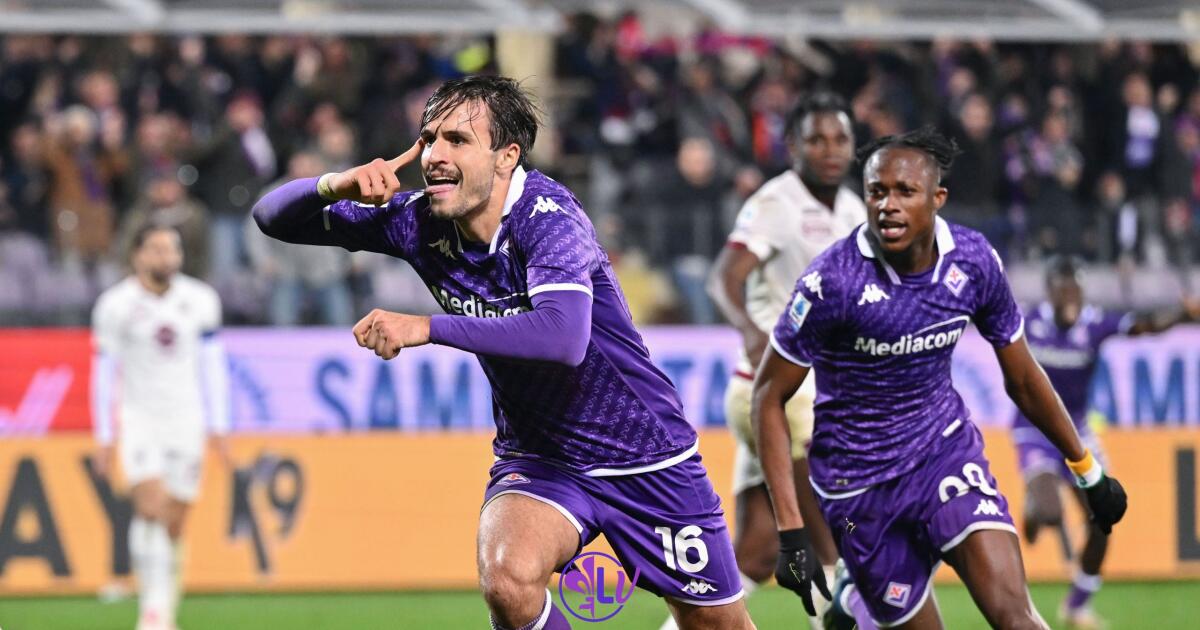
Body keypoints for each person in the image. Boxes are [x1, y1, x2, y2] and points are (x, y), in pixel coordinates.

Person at [252, 75, 754, 630]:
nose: (435, 156)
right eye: (428, 139)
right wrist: (334, 185)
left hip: (644, 454)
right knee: (508, 579)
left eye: (457, 140)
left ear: (506, 157)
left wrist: (428, 328)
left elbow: (562, 338)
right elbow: (271, 217)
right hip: (540, 458)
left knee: (717, 625)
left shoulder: (548, 219)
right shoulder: (417, 221)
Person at [751, 127, 1127, 629]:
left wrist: (1086, 468)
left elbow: (1022, 377)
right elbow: (767, 396)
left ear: (937, 198)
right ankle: (855, 594)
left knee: (1017, 618)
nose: (888, 205)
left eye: (905, 191)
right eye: (876, 192)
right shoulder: (832, 281)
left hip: (944, 456)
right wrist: (791, 532)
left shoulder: (973, 261)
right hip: (857, 488)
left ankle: (857, 598)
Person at [696, 91, 864, 630]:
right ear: (792, 145)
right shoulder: (776, 203)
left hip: (814, 388)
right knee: (829, 531)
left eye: (839, 139)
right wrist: (751, 332)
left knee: (756, 552)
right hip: (779, 390)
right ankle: (835, 609)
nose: (830, 150)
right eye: (816, 139)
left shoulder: (855, 209)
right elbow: (723, 278)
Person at [1016, 255, 1198, 629]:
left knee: (1103, 515)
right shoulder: (1029, 322)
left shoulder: (1095, 323)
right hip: (1034, 430)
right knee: (1051, 513)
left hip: (1077, 432)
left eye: (1075, 291)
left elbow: (1144, 326)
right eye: (1063, 291)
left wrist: (1182, 315)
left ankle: (1077, 605)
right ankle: (1035, 508)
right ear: (1050, 292)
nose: (1070, 298)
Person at [91, 223, 231, 630]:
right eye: (156, 249)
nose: (166, 257)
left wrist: (220, 426)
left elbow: (213, 366)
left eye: (172, 249)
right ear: (137, 255)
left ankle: (164, 609)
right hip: (139, 419)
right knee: (149, 507)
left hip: (186, 420)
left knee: (174, 521)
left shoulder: (200, 300)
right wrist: (104, 435)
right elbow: (103, 373)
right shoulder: (114, 305)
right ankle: (152, 612)